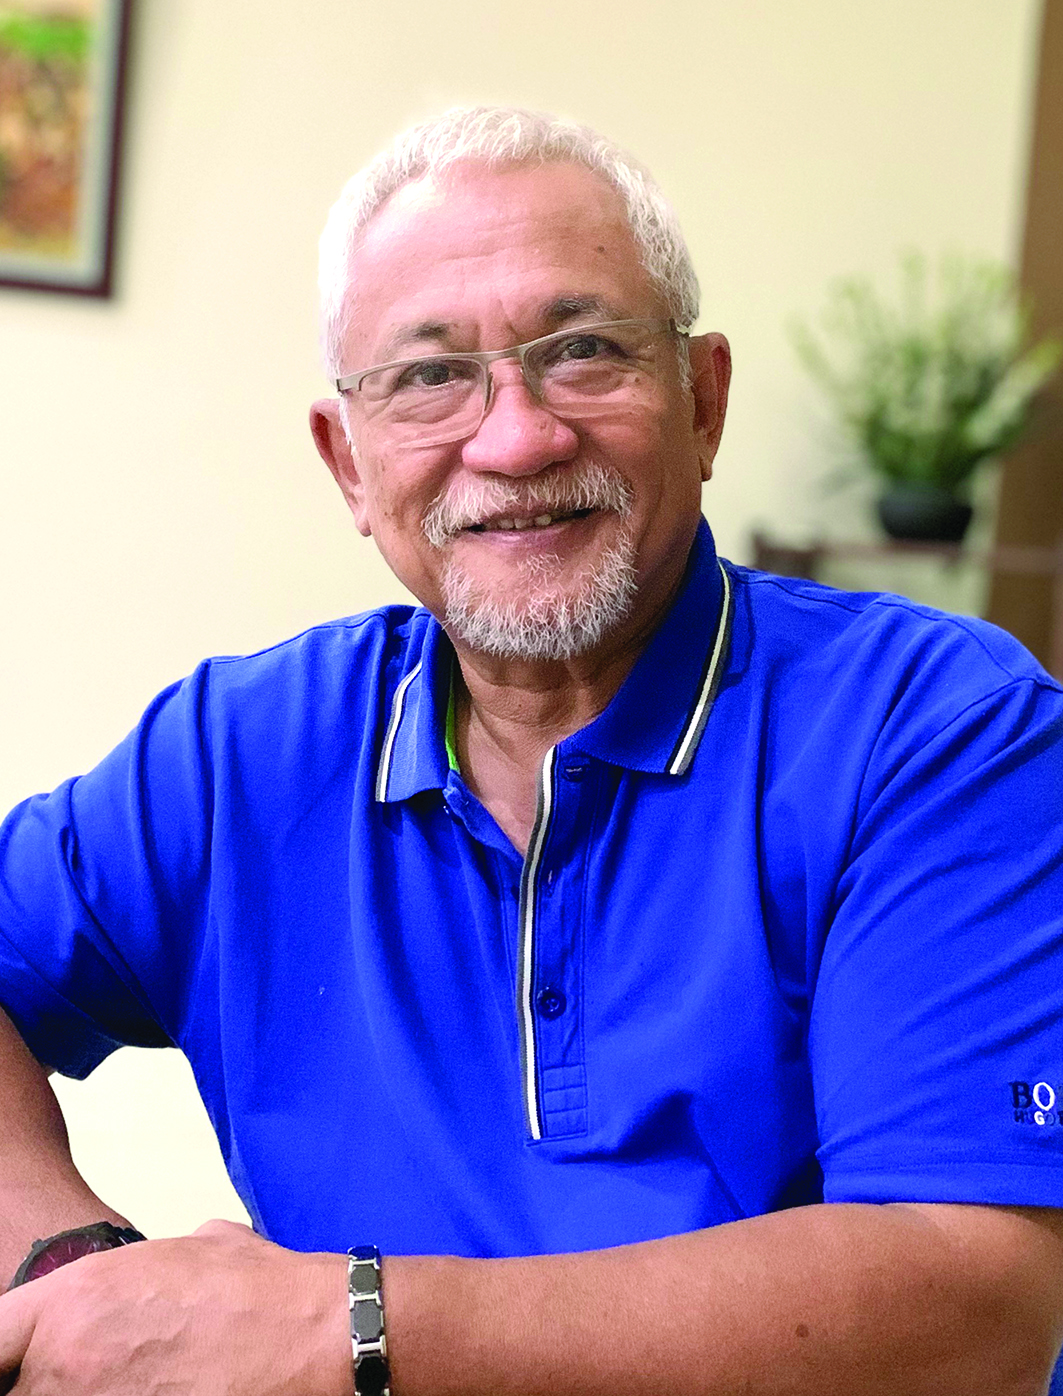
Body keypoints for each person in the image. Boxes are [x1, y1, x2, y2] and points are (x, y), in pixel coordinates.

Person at [1, 105, 1062, 1396]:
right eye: (428, 376)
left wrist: (343, 1329)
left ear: (704, 400)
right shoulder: (236, 758)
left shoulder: (939, 730)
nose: (515, 438)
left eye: (584, 352)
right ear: (347, 463)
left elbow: (977, 1307)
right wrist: (65, 1261)